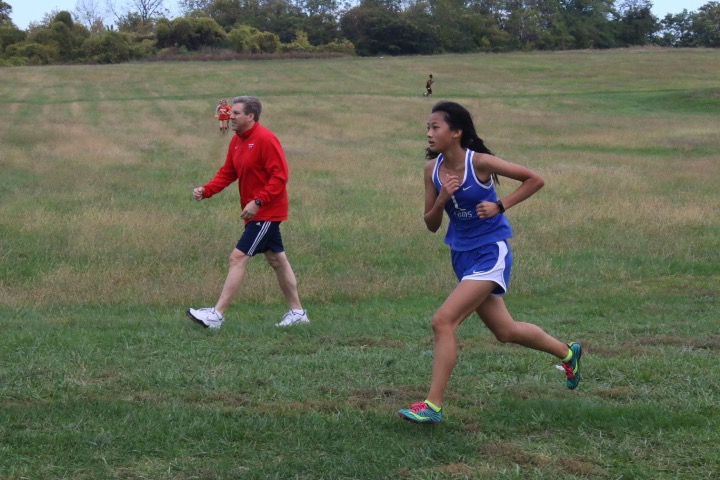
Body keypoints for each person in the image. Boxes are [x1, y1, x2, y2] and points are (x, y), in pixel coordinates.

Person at [397, 101, 582, 424]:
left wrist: (500, 205)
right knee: (505, 331)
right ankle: (568, 353)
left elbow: (534, 179)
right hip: (462, 255)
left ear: (456, 132)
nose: (428, 133)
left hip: (490, 252)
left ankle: (433, 406)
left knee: (443, 321)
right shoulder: (432, 170)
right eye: (427, 127)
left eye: (435, 127)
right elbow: (430, 223)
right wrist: (441, 199)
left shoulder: (480, 163)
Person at [187, 95, 309, 329]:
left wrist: (258, 202)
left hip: (267, 212)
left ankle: (216, 315)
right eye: (230, 113)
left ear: (250, 116)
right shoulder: (237, 141)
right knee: (277, 260)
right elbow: (229, 171)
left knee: (238, 257)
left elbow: (280, 177)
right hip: (257, 212)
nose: (229, 117)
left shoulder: (265, 139)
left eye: (236, 114)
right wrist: (207, 190)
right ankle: (298, 313)